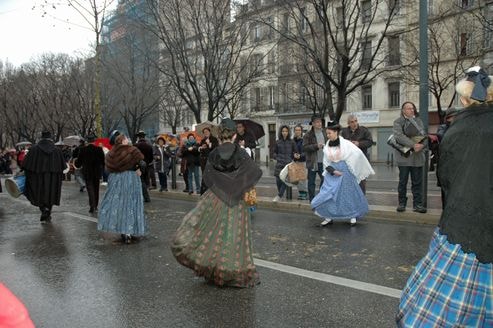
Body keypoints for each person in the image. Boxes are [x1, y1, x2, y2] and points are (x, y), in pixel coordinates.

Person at [396, 67, 493, 327]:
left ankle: (416, 203)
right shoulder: (401, 123)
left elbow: (446, 177)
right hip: (411, 160)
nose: (408, 111)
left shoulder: (457, 130)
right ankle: (407, 203)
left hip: (466, 218)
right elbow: (397, 138)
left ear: (463, 99)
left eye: (409, 108)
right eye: (405, 108)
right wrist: (410, 145)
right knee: (404, 185)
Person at [171, 118, 263, 287]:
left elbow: (207, 177)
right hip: (236, 200)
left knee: (214, 234)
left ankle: (214, 268)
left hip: (217, 197)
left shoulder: (214, 153)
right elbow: (254, 173)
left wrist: (219, 187)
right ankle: (230, 270)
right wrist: (238, 186)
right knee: (234, 235)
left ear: (220, 135)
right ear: (235, 135)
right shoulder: (240, 152)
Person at [311, 122, 374, 226]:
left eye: (329, 133)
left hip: (346, 173)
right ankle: (328, 216)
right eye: (327, 134)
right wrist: (333, 171)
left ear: (336, 132)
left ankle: (352, 216)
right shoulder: (327, 146)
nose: (328, 136)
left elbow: (357, 154)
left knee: (348, 194)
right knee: (329, 194)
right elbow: (326, 162)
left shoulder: (346, 144)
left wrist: (352, 167)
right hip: (332, 174)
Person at [98, 130, 147, 244]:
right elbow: (142, 163)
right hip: (131, 179)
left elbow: (107, 168)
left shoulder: (110, 153)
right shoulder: (132, 150)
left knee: (119, 204)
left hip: (115, 179)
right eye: (126, 139)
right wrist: (138, 169)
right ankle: (130, 230)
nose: (127, 140)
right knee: (131, 203)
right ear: (122, 140)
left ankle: (123, 231)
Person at [22, 130, 66, 223]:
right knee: (51, 193)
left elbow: (25, 165)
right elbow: (63, 166)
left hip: (37, 177)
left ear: (42, 137)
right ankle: (48, 210)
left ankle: (43, 209)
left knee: (39, 193)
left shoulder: (34, 149)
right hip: (53, 177)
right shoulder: (57, 150)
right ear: (50, 138)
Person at [392, 101, 427, 213]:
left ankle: (417, 205)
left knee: (417, 183)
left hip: (417, 157)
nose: (411, 110)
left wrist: (421, 145)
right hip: (404, 158)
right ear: (403, 110)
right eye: (408, 108)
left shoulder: (418, 121)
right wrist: (413, 145)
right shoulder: (398, 122)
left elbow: (423, 136)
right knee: (403, 182)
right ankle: (402, 203)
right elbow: (399, 136)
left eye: (412, 108)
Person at [341, 114, 373, 194]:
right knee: (350, 181)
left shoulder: (364, 130)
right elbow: (341, 144)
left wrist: (359, 143)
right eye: (352, 122)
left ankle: (361, 200)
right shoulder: (344, 132)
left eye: (355, 121)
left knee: (361, 181)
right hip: (349, 160)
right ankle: (352, 200)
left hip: (361, 160)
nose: (354, 123)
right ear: (348, 123)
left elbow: (370, 142)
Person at [75, 134, 105, 213]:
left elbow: (78, 163)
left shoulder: (83, 149)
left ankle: (92, 206)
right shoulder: (99, 149)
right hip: (97, 172)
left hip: (87, 172)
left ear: (87, 141)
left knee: (90, 189)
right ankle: (95, 206)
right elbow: (103, 161)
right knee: (96, 189)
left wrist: (77, 163)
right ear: (94, 141)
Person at [303, 114, 327, 201]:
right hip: (313, 162)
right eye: (317, 122)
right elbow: (305, 147)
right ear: (313, 124)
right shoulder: (308, 135)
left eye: (320, 122)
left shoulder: (325, 132)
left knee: (325, 180)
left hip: (323, 161)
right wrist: (316, 146)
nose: (319, 124)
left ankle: (320, 197)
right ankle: (312, 199)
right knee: (311, 182)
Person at [273, 125, 296, 202]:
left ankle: (279, 195)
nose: (284, 133)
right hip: (279, 164)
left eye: (286, 131)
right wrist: (277, 157)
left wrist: (294, 156)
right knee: (278, 180)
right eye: (283, 131)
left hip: (288, 165)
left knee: (285, 181)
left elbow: (295, 152)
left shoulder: (292, 142)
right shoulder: (278, 142)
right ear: (281, 132)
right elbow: (274, 153)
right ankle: (281, 193)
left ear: (288, 132)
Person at [198, 127, 219, 194]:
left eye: (207, 131)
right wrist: (201, 147)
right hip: (204, 161)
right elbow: (199, 149)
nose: (206, 133)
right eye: (204, 132)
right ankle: (204, 191)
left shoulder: (214, 139)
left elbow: (216, 149)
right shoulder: (203, 140)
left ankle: (211, 191)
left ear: (210, 132)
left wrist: (210, 144)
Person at [135, 131, 153, 203]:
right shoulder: (149, 146)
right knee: (145, 181)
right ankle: (145, 197)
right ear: (144, 137)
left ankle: (145, 197)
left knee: (140, 181)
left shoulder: (135, 146)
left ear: (138, 137)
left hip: (138, 166)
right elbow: (151, 157)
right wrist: (147, 162)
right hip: (147, 165)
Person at [293, 124, 308, 200]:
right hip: (295, 162)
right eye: (296, 130)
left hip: (302, 161)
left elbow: (306, 151)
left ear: (301, 131)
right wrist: (294, 154)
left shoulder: (304, 140)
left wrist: (300, 156)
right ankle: (300, 192)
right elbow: (291, 150)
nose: (297, 131)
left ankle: (304, 193)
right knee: (297, 178)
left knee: (303, 178)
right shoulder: (293, 141)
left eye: (299, 130)